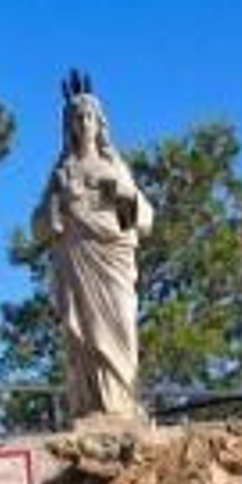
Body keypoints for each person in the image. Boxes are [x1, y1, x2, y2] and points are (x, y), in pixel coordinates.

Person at [31, 71, 153, 421]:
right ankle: (90, 405)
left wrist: (123, 195)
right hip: (77, 257)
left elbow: (141, 219)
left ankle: (123, 403)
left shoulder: (115, 167)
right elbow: (39, 227)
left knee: (122, 325)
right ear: (68, 126)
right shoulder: (62, 172)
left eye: (88, 116)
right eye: (76, 118)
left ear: (100, 123)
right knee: (82, 333)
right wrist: (59, 204)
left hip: (113, 259)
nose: (83, 123)